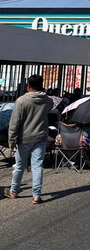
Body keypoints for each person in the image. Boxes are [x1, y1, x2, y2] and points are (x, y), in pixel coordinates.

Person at [5, 74, 53, 204]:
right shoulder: (47, 100)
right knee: (37, 166)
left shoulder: (21, 101)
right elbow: (50, 107)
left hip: (24, 138)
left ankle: (14, 191)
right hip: (41, 137)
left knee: (19, 165)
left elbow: (14, 122)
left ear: (29, 86)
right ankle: (36, 195)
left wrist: (11, 140)